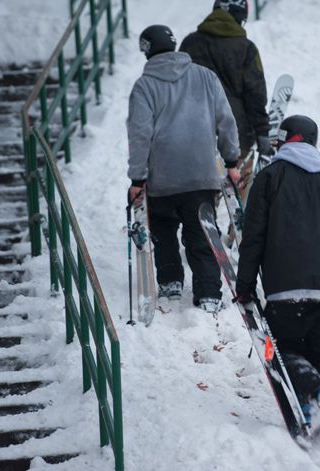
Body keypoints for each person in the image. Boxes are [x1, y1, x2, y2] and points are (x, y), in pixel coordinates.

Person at [235, 115, 320, 436]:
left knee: (285, 349)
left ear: (287, 141)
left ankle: (317, 392)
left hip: (286, 286)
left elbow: (254, 236)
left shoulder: (269, 178)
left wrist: (245, 284)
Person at [127, 25, 241, 313]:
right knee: (202, 233)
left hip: (162, 177)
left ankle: (170, 282)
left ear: (146, 50)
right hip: (201, 174)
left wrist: (137, 178)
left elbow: (140, 133)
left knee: (164, 230)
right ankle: (208, 295)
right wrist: (231, 161)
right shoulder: (205, 76)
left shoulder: (144, 86)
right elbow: (225, 120)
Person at [180, 0, 272, 201]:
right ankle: (236, 232)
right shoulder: (246, 48)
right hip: (236, 134)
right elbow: (255, 94)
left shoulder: (189, 43)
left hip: (194, 132)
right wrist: (262, 132)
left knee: (202, 197)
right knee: (238, 194)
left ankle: (204, 229)